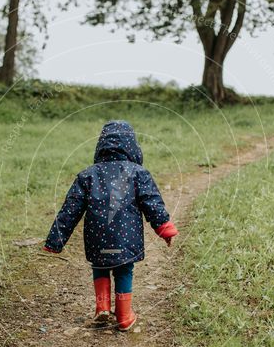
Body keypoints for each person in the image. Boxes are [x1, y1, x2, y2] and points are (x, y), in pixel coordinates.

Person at [43, 120, 178, 331]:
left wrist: (55, 241)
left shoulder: (88, 175)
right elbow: (152, 202)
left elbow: (70, 209)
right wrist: (165, 228)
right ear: (132, 146)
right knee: (124, 270)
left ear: (101, 146)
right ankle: (124, 317)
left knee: (100, 267)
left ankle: (102, 308)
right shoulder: (138, 173)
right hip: (126, 238)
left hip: (97, 236)